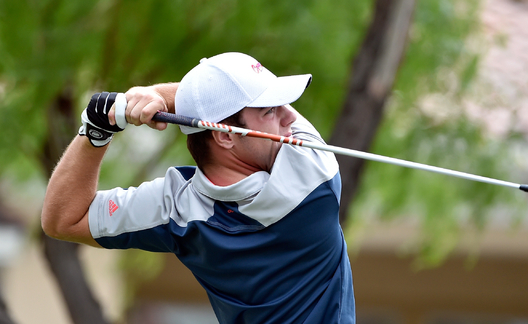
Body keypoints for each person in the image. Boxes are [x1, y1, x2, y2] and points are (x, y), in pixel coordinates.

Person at [41, 52, 356, 323]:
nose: (290, 117)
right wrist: (159, 96)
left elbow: (63, 219)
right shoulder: (313, 174)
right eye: (270, 109)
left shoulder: (176, 211)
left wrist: (96, 131)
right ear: (225, 136)